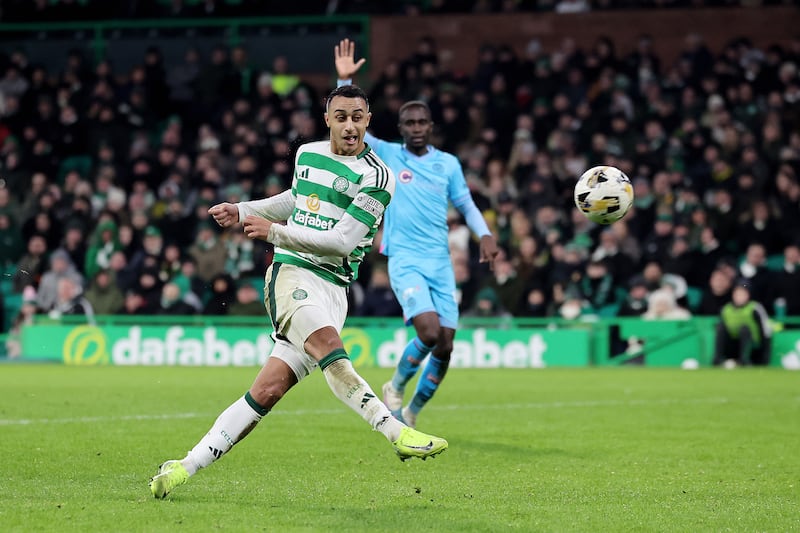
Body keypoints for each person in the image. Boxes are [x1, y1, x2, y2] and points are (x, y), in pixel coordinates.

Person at [149, 84, 447, 500]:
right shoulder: (308, 153)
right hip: (290, 273)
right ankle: (394, 428)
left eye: (357, 117)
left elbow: (343, 242)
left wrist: (271, 230)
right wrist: (245, 210)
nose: (349, 125)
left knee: (266, 392)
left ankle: (185, 466)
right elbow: (296, 199)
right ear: (327, 119)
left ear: (368, 121)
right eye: (340, 116)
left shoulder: (377, 177)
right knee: (329, 346)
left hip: (334, 287)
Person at [335, 39, 499, 429]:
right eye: (409, 124)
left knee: (446, 344)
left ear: (431, 126)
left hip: (440, 262)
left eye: (422, 122)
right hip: (405, 259)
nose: (416, 129)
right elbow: (351, 122)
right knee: (427, 332)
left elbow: (467, 205)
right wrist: (345, 79)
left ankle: (411, 412)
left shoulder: (448, 164)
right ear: (401, 129)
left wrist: (485, 234)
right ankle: (394, 386)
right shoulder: (388, 155)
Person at [713, 280, 772, 368]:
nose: (739, 297)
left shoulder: (755, 308)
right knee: (720, 328)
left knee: (744, 329)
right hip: (732, 346)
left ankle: (745, 360)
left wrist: (764, 358)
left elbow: (766, 332)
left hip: (752, 346)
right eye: (737, 293)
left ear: (748, 295)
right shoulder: (726, 309)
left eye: (742, 294)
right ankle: (717, 360)